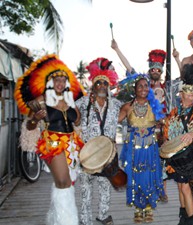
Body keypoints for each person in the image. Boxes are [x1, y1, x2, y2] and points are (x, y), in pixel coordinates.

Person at [15, 54, 86, 225]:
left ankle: (55, 219)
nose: (60, 84)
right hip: (52, 142)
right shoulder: (41, 100)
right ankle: (67, 221)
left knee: (68, 182)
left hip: (71, 143)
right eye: (57, 80)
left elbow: (77, 121)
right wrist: (36, 119)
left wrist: (75, 114)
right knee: (63, 181)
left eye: (63, 80)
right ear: (50, 82)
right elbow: (30, 126)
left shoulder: (70, 100)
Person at [111, 39, 170, 202]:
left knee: (161, 161)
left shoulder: (168, 88)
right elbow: (129, 69)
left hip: (161, 130)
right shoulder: (143, 86)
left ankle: (161, 191)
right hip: (141, 131)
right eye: (153, 68)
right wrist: (117, 49)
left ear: (161, 71)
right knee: (141, 163)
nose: (156, 71)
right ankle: (142, 190)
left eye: (159, 69)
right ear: (150, 69)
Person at [162, 63, 193, 225]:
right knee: (180, 187)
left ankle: (191, 221)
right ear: (181, 94)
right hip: (176, 158)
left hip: (191, 156)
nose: (191, 96)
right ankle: (184, 216)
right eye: (188, 93)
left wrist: (192, 134)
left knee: (185, 187)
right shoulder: (173, 113)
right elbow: (167, 135)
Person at [76, 57, 121, 225]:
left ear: (109, 86)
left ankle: (103, 216)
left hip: (108, 154)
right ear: (93, 86)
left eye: (105, 83)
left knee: (105, 188)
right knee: (85, 190)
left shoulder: (116, 104)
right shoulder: (81, 102)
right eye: (98, 83)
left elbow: (129, 114)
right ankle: (85, 220)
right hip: (87, 154)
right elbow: (71, 117)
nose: (102, 86)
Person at [118, 74, 165, 223]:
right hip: (133, 148)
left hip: (150, 147)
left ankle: (149, 207)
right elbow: (113, 121)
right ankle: (138, 208)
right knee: (135, 175)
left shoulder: (154, 105)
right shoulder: (127, 106)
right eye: (140, 86)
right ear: (135, 89)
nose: (143, 89)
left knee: (150, 175)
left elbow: (165, 123)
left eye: (146, 86)